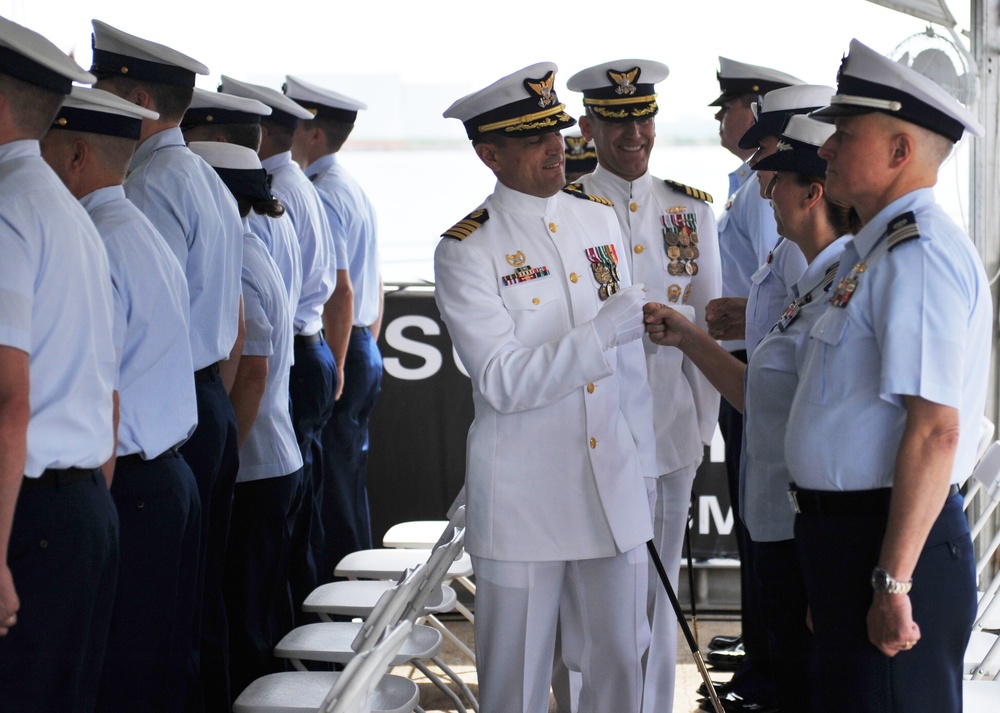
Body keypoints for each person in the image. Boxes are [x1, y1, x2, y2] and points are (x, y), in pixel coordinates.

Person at [437, 62, 656, 713]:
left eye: (556, 130)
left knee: (621, 670)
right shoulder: (467, 249)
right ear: (490, 153)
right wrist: (597, 336)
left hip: (609, 487)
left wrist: (639, 463)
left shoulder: (596, 218)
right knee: (517, 688)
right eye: (534, 137)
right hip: (524, 503)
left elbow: (630, 374)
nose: (556, 146)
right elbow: (502, 379)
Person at [784, 39, 990, 713]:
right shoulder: (872, 251)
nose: (826, 149)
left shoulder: (919, 254)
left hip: (890, 542)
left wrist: (892, 582)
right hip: (853, 543)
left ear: (901, 152)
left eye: (845, 135)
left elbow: (935, 429)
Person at [645, 114, 858, 713]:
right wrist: (690, 337)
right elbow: (763, 396)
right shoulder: (815, 279)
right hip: (780, 523)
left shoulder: (844, 283)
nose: (764, 192)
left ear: (813, 192)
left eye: (776, 181)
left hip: (805, 529)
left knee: (806, 685)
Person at [90, 19, 244, 711]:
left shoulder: (147, 188)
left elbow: (129, 328)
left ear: (140, 99)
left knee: (142, 640)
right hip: (197, 404)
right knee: (186, 612)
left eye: (102, 85)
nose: (94, 98)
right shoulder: (205, 177)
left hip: (157, 415)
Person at [40, 86, 201, 713]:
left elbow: (100, 389)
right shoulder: (133, 228)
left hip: (127, 484)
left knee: (120, 678)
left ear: (76, 154)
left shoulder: (99, 239)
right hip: (165, 473)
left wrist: (92, 512)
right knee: (154, 667)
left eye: (44, 149)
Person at [567, 58, 721, 713]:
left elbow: (709, 331)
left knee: (659, 600)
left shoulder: (690, 209)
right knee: (590, 595)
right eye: (616, 121)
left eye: (643, 118)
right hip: (591, 439)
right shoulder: (566, 209)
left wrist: (696, 425)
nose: (633, 134)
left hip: (670, 433)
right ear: (589, 126)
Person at [0, 16, 118, 712]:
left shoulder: (11, 210)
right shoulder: (70, 213)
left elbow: (10, 400)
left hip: (33, 516)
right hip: (78, 508)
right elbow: (103, 391)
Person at [221, 75, 343, 614]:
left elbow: (257, 338)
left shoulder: (273, 195)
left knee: (275, 544)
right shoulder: (292, 186)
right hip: (298, 348)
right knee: (293, 528)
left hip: (281, 356)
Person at [702, 56, 803, 706]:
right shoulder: (747, 183)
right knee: (752, 525)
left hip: (755, 370)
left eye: (731, 108)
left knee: (765, 527)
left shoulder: (769, 192)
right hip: (745, 361)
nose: (725, 120)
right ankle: (762, 651)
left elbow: (779, 276)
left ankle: (769, 666)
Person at [189, 140, 304, 704]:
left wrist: (221, 460)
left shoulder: (237, 257)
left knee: (244, 625)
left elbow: (252, 371)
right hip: (275, 456)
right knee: (258, 611)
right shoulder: (253, 247)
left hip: (255, 467)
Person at [284, 75, 384, 579]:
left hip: (344, 344)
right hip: (362, 341)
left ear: (315, 134)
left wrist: (339, 364)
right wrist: (364, 346)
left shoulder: (323, 193)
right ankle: (359, 596)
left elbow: (341, 290)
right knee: (348, 478)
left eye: (294, 124)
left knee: (335, 490)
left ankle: (344, 605)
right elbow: (374, 283)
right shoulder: (350, 186)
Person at [181, 88, 303, 341]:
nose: (182, 147)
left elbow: (252, 365)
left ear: (218, 144)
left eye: (185, 135)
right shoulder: (261, 208)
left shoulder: (241, 235)